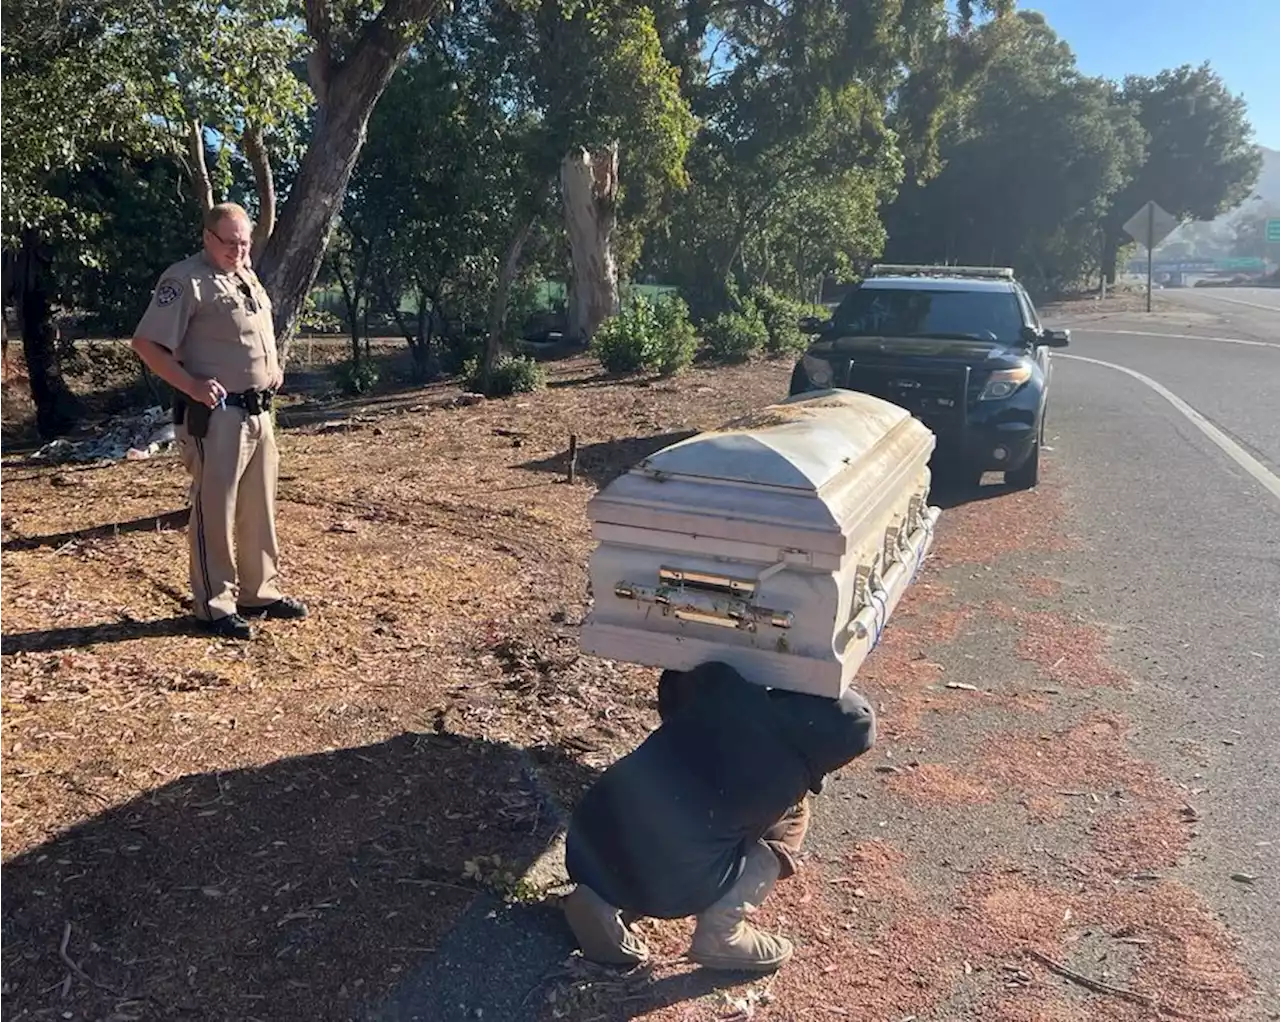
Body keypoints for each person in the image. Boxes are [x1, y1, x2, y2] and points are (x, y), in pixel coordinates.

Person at [561, 661, 876, 972]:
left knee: (677, 793)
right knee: (790, 820)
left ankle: (602, 899)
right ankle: (722, 932)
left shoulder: (727, 686)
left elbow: (676, 678)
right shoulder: (781, 782)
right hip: (667, 890)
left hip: (586, 837)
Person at [130, 203, 307, 640]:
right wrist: (190, 385)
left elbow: (252, 332)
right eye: (230, 243)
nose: (239, 250)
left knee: (258, 507)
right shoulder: (185, 279)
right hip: (217, 418)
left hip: (259, 412)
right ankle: (213, 606)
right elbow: (146, 343)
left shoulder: (245, 273)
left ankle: (259, 592)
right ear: (208, 237)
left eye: (245, 242)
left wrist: (273, 367)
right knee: (215, 510)